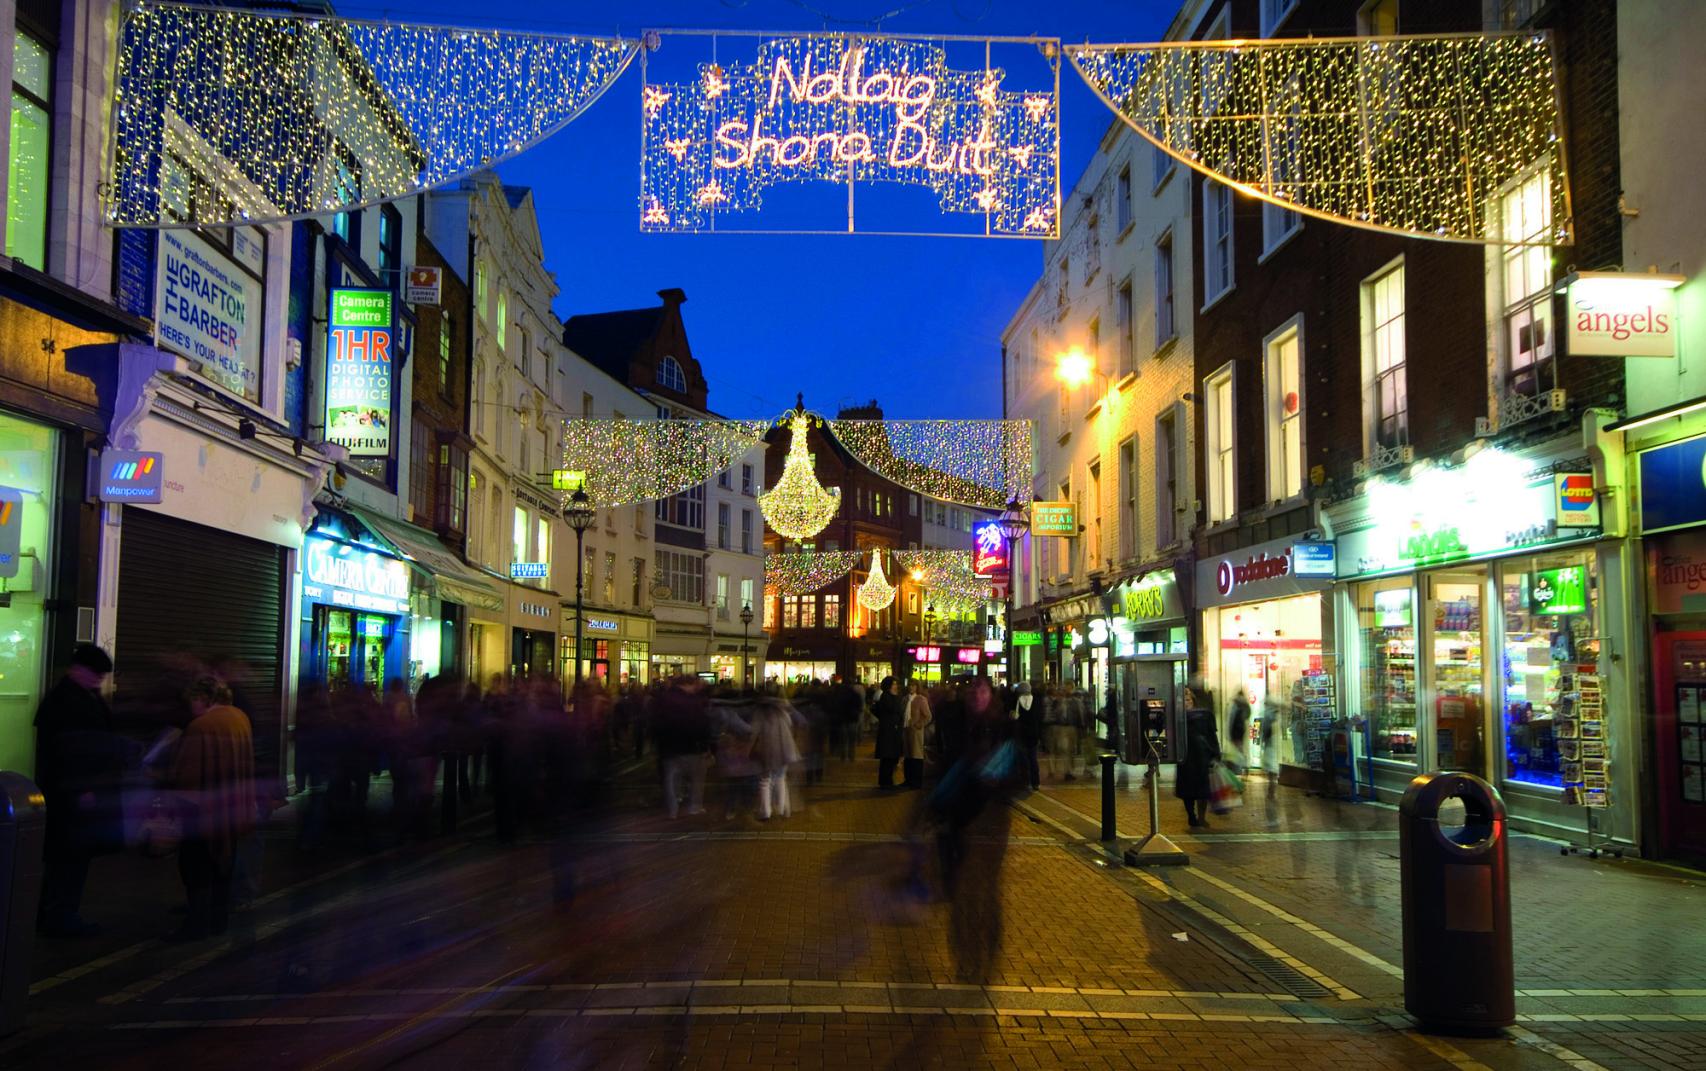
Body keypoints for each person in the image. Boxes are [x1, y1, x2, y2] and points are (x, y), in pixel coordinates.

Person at [34, 644, 126, 937]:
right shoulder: (67, 702)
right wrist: (83, 788)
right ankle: (59, 916)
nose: (99, 679)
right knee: (69, 858)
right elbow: (66, 751)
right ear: (78, 669)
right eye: (95, 674)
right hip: (73, 795)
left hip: (77, 793)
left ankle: (57, 912)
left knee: (70, 857)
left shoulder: (76, 697)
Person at [168, 676, 256, 940]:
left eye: (193, 700)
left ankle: (196, 925)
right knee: (222, 866)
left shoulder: (202, 725)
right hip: (230, 808)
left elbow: (187, 773)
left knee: (196, 868)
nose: (191, 707)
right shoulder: (239, 718)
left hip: (202, 810)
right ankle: (218, 920)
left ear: (204, 698)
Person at [750, 689, 801, 819]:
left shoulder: (760, 712)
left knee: (765, 780)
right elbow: (793, 723)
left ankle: (765, 811)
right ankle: (781, 808)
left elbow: (753, 731)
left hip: (767, 748)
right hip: (784, 748)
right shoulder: (783, 710)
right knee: (780, 778)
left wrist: (749, 748)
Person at [1176, 684, 1220, 828]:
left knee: (1203, 790)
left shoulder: (1204, 715)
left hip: (1201, 757)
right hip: (1186, 758)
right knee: (1188, 791)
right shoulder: (1178, 718)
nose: (1186, 702)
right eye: (1184, 700)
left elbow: (1212, 736)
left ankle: (1201, 817)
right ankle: (1191, 816)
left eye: (1188, 699)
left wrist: (1216, 753)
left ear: (1193, 700)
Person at [873, 676, 906, 789]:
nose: (896, 686)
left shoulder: (891, 697)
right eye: (894, 684)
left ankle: (887, 780)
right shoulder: (887, 697)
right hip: (889, 732)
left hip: (893, 731)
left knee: (891, 757)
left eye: (896, 684)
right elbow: (894, 709)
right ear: (889, 686)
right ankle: (886, 781)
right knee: (888, 757)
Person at [1011, 681, 1042, 791]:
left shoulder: (1017, 701)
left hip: (1021, 733)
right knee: (1033, 758)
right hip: (1033, 733)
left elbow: (1015, 716)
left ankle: (1025, 781)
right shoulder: (1036, 701)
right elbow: (1040, 718)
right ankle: (1036, 782)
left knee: (1022, 758)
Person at [903, 681, 933, 789]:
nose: (911, 687)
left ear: (917, 687)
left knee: (916, 756)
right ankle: (908, 780)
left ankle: (916, 782)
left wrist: (919, 724)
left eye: (913, 685)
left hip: (916, 732)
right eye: (910, 685)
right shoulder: (905, 699)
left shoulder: (921, 699)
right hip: (906, 730)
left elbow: (928, 716)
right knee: (907, 756)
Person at [1226, 689, 1253, 775]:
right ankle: (1244, 766)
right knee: (1240, 749)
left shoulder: (1235, 704)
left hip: (1235, 731)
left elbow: (1231, 719)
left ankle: (1242, 767)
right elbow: (1247, 715)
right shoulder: (1244, 704)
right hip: (1241, 730)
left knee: (1238, 751)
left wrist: (1229, 733)